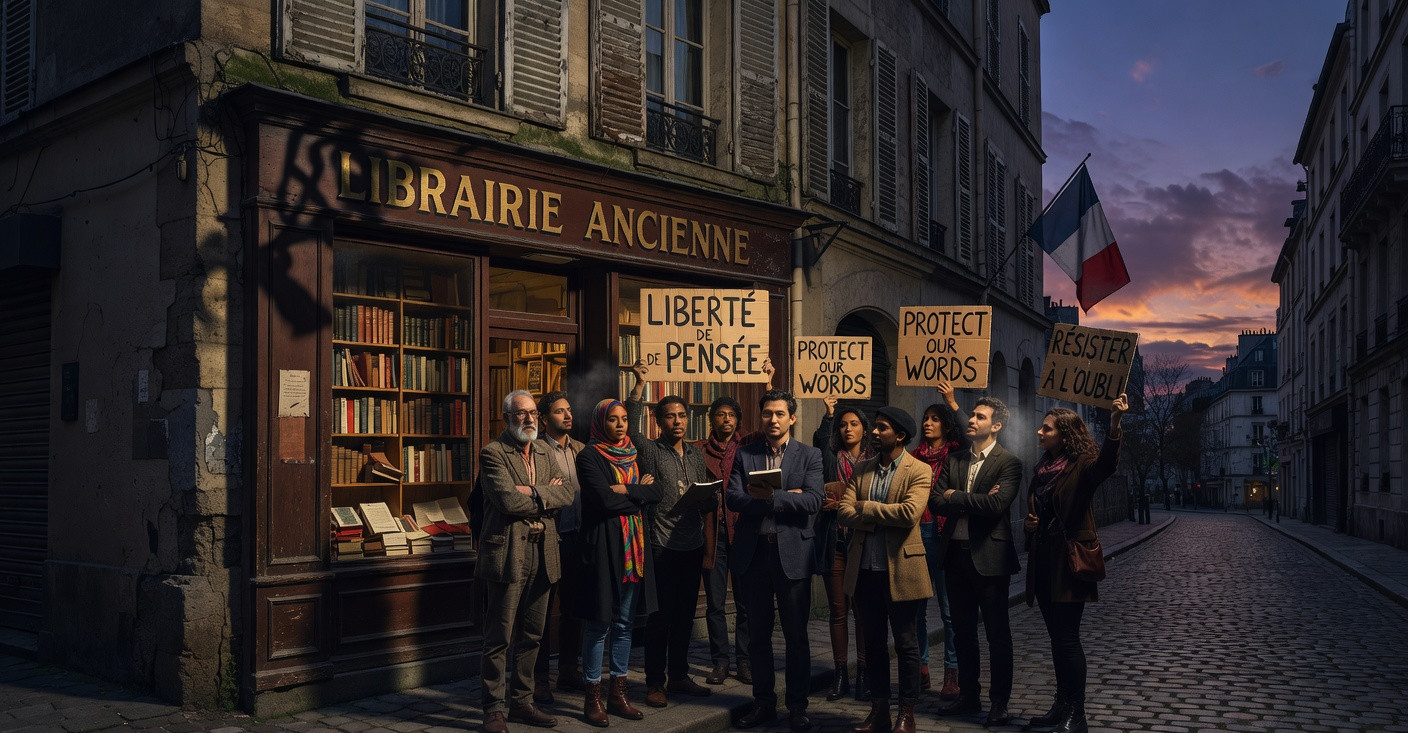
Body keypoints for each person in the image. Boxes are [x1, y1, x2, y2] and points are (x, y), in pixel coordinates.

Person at [1022, 394, 1127, 733]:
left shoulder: (1082, 463)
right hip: (1045, 561)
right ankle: (1061, 705)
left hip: (1070, 562)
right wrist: (1030, 524)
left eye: (1047, 428)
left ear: (1065, 435)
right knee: (1056, 638)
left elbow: (1106, 466)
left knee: (1067, 638)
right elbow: (1040, 510)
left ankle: (1076, 715)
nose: (1040, 432)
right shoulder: (1042, 468)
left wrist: (1114, 425)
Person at [476, 390, 576, 733]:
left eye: (533, 413)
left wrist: (531, 491)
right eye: (521, 414)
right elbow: (506, 502)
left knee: (533, 634)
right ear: (507, 418)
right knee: (499, 636)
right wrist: (543, 493)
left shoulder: (547, 451)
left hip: (543, 551)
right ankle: (493, 709)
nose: (529, 419)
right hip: (507, 553)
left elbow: (566, 493)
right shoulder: (492, 453)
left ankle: (522, 703)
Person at [728, 389, 825, 733]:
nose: (773, 420)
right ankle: (763, 704)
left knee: (796, 636)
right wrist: (784, 498)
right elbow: (734, 497)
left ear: (792, 418)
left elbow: (814, 500)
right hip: (754, 554)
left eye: (780, 414)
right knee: (758, 636)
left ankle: (797, 707)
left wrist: (772, 497)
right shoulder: (745, 454)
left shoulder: (809, 455)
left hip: (793, 555)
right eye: (767, 414)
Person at [836, 406, 932, 733]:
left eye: (881, 428)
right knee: (873, 644)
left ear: (900, 435)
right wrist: (870, 512)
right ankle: (879, 711)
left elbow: (909, 513)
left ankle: (907, 714)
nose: (874, 433)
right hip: (864, 570)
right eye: (875, 427)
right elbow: (843, 512)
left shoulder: (918, 470)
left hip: (902, 569)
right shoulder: (861, 468)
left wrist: (867, 508)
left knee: (905, 644)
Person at [931, 396, 1024, 727]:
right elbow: (934, 502)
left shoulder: (1008, 463)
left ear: (995, 425)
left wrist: (956, 496)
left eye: (979, 416)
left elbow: (997, 505)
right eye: (971, 415)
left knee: (997, 635)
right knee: (963, 632)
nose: (971, 420)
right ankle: (968, 696)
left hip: (990, 559)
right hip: (955, 557)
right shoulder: (954, 460)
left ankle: (999, 702)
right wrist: (973, 500)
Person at [625, 363, 714, 706]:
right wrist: (639, 385)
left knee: (685, 617)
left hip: (691, 545)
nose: (677, 421)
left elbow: (705, 500)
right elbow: (632, 430)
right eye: (670, 416)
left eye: (681, 415)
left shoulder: (695, 453)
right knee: (659, 618)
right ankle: (653, 683)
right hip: (661, 546)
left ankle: (678, 676)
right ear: (659, 422)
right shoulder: (650, 451)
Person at [574, 399, 663, 727]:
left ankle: (618, 694)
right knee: (600, 623)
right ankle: (592, 698)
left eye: (624, 419)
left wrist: (626, 487)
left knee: (625, 623)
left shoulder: (635, 454)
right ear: (601, 423)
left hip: (634, 550)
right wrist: (639, 494)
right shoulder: (589, 455)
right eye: (613, 420)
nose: (620, 425)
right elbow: (602, 500)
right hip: (604, 548)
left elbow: (659, 493)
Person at [697, 359, 773, 686]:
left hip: (743, 535)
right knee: (715, 603)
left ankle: (744, 661)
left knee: (745, 604)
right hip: (713, 537)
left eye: (732, 415)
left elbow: (774, 426)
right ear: (711, 420)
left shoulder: (749, 447)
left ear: (738, 421)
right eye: (720, 414)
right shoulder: (698, 452)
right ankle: (719, 662)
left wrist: (768, 384)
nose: (726, 419)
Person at [810, 396, 872, 702]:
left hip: (862, 543)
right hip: (834, 541)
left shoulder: (874, 460)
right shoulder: (831, 456)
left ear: (864, 428)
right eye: (843, 425)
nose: (848, 429)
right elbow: (820, 440)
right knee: (838, 611)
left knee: (862, 611)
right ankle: (840, 676)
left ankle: (863, 674)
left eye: (854, 424)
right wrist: (829, 413)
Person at [910, 382, 969, 701]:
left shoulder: (956, 455)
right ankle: (921, 670)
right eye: (926, 418)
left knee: (948, 610)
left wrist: (951, 402)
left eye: (934, 418)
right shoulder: (914, 457)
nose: (927, 423)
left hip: (944, 536)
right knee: (917, 608)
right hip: (917, 535)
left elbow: (969, 437)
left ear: (945, 426)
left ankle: (952, 672)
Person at [532, 391, 586, 704]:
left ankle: (568, 671)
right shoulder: (535, 450)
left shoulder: (580, 449)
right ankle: (538, 679)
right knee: (539, 612)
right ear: (543, 418)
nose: (567, 416)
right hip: (548, 538)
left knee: (573, 609)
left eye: (568, 410)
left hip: (577, 539)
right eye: (559, 412)